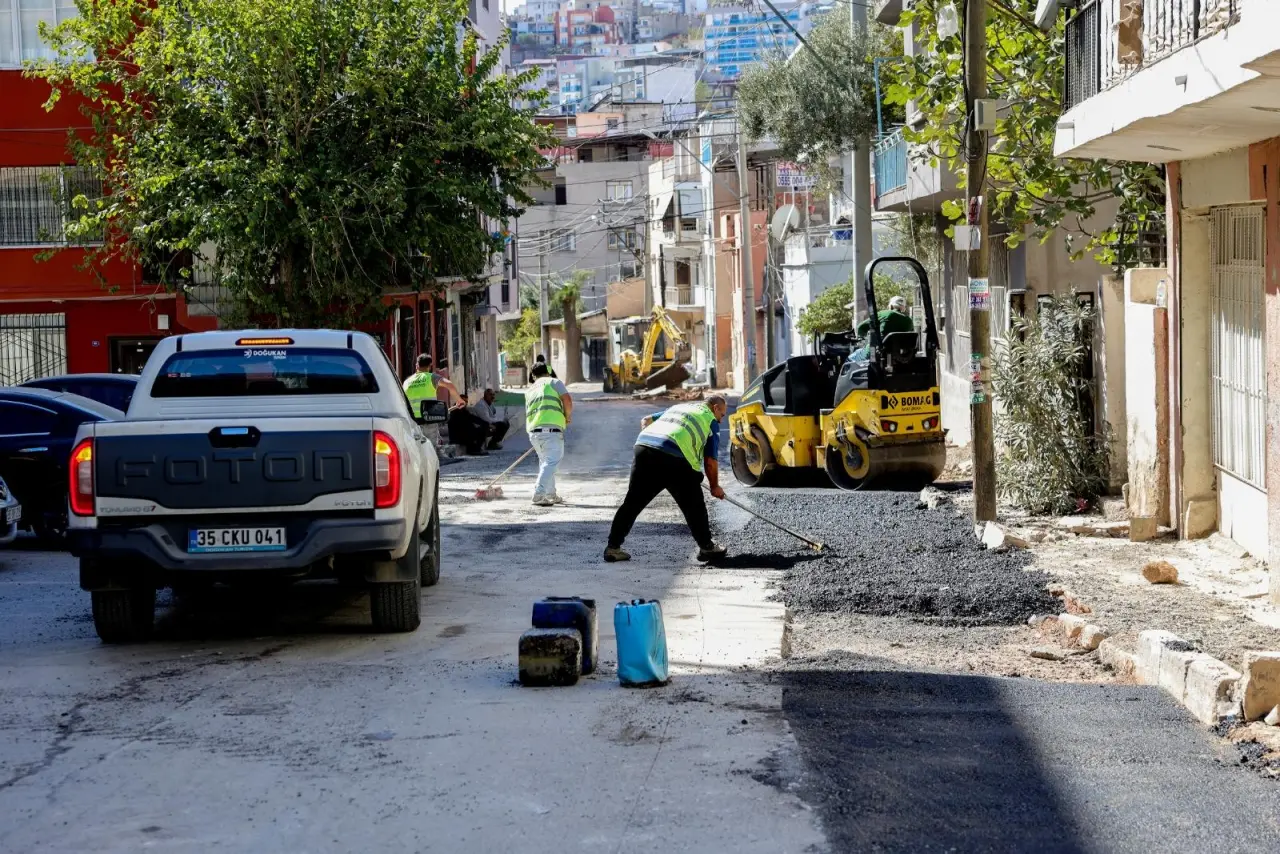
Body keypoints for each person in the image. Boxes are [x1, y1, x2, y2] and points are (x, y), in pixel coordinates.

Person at [604, 395, 729, 564]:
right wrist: (715, 486)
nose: (721, 420)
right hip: (674, 457)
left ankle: (613, 547)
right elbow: (710, 461)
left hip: (644, 447)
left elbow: (646, 419)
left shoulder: (680, 407)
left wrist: (652, 444)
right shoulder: (710, 420)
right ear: (715, 408)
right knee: (694, 505)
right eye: (722, 415)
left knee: (632, 502)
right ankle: (707, 547)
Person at [525, 363, 573, 507]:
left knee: (546, 462)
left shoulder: (530, 390)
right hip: (550, 430)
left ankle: (550, 494)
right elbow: (567, 400)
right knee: (552, 461)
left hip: (534, 431)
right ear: (548, 372)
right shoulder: (554, 382)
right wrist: (567, 416)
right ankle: (539, 494)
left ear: (533, 376)